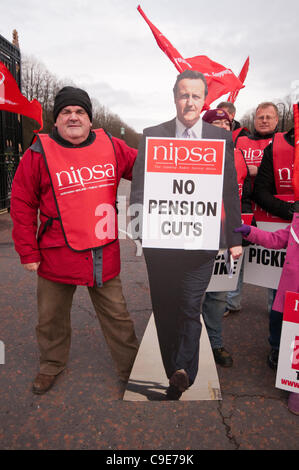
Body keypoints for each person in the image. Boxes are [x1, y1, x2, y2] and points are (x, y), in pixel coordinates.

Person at [10, 86, 139, 394]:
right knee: (50, 317)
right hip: (56, 250)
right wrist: (28, 251)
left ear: (89, 119)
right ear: (56, 120)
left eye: (79, 112)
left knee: (118, 317)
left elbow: (149, 168)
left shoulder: (112, 145)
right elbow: (22, 202)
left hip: (101, 251)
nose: (73, 117)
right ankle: (51, 364)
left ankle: (132, 368)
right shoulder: (38, 152)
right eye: (66, 112)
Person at [130, 70, 242, 399]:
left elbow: (229, 192)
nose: (189, 101)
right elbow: (139, 187)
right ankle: (172, 369)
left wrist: (234, 237)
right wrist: (138, 230)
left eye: (195, 95)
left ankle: (183, 370)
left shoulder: (220, 139)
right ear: (175, 98)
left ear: (203, 100)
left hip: (201, 246)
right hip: (161, 246)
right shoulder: (152, 135)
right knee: (165, 310)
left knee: (191, 307)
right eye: (183, 94)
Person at [235, 211, 299, 416]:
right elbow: (275, 239)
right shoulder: (296, 225)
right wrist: (250, 231)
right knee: (292, 341)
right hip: (291, 296)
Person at [201, 109, 252, 367]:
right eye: (216, 122)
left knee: (218, 296)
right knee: (190, 294)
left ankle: (215, 342)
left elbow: (241, 198)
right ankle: (188, 344)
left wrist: (242, 234)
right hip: (195, 236)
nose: (222, 125)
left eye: (226, 122)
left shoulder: (237, 154)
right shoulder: (191, 151)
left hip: (225, 235)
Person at [252, 124, 297, 370]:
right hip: (282, 227)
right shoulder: (278, 146)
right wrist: (289, 210)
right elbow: (260, 190)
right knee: (279, 299)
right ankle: (279, 348)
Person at [234, 102, 279, 179]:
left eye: (268, 117)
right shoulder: (239, 141)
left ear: (276, 120)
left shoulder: (285, 142)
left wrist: (259, 170)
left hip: (272, 190)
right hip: (242, 190)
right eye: (260, 117)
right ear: (255, 120)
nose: (264, 121)